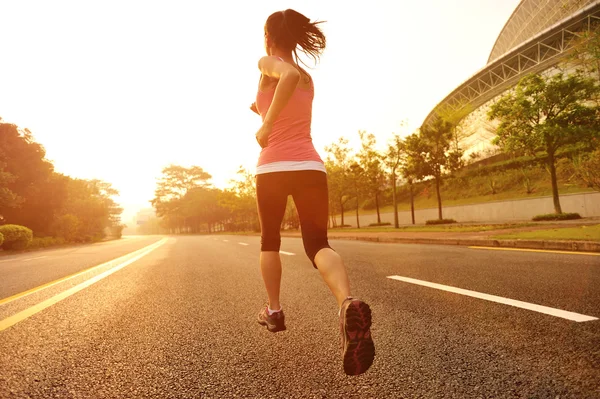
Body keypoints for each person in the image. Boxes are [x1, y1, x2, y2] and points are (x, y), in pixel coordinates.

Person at [249, 9, 375, 376]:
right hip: (309, 165)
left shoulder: (268, 62)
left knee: (270, 241)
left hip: (273, 167)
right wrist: (260, 110)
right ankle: (347, 303)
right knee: (318, 242)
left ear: (269, 37)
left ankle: (273, 311)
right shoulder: (306, 78)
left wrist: (266, 125)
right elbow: (287, 92)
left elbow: (281, 77)